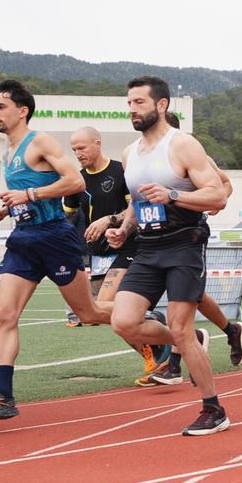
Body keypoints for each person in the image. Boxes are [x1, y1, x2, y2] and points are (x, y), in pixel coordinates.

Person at [0, 80, 112, 420]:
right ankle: (3, 396)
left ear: (22, 110)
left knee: (87, 314)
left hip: (55, 237)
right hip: (24, 239)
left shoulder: (39, 141)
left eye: (0, 107)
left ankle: (153, 326)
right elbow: (27, 195)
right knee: (3, 313)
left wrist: (28, 196)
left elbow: (75, 181)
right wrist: (6, 210)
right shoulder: (6, 153)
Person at [103, 77, 232, 435]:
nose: (132, 109)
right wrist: (123, 229)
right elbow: (138, 202)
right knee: (123, 322)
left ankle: (214, 408)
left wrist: (173, 195)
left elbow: (217, 196)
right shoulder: (130, 153)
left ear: (161, 106)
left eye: (139, 102)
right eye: (129, 103)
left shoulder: (183, 145)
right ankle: (187, 341)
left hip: (184, 243)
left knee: (180, 327)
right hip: (148, 246)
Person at [146, 111, 242, 385]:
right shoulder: (144, 157)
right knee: (194, 296)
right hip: (156, 236)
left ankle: (176, 364)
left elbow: (224, 184)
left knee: (183, 300)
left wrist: (213, 203)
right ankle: (230, 331)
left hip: (187, 233)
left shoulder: (191, 153)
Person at [61, 127, 165, 381]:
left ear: (97, 144)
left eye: (82, 147)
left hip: (128, 246)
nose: (78, 153)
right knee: (106, 316)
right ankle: (155, 352)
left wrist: (110, 220)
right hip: (98, 254)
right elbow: (67, 214)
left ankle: (159, 337)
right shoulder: (77, 181)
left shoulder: (120, 171)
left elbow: (137, 206)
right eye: (73, 149)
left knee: (106, 306)